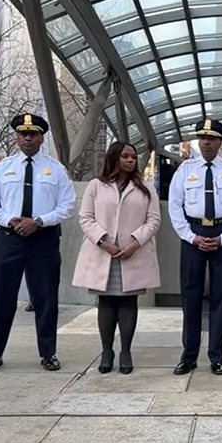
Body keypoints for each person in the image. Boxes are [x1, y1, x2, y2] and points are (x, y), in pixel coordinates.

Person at [0, 114, 76, 373]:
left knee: (46, 298)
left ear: (41, 137)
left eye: (33, 134)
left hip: (43, 239)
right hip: (9, 239)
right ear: (16, 137)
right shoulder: (3, 168)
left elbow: (67, 205)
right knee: (2, 298)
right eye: (23, 134)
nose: (28, 138)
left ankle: (48, 354)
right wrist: (10, 220)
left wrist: (40, 221)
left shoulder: (55, 169)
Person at [168, 118, 222, 376]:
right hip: (193, 236)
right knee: (190, 296)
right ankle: (188, 355)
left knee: (220, 298)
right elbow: (174, 207)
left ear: (220, 142)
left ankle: (216, 356)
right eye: (202, 137)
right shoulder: (185, 170)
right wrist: (191, 236)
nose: (206, 142)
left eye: (211, 138)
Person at [73, 142, 161, 375]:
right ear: (114, 158)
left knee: (128, 302)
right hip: (104, 253)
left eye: (133, 157)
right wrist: (103, 242)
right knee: (106, 302)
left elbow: (153, 220)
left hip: (132, 253)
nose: (131, 160)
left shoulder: (145, 188)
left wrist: (135, 242)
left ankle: (126, 351)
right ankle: (106, 351)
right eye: (125, 156)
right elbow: (85, 218)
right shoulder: (96, 186)